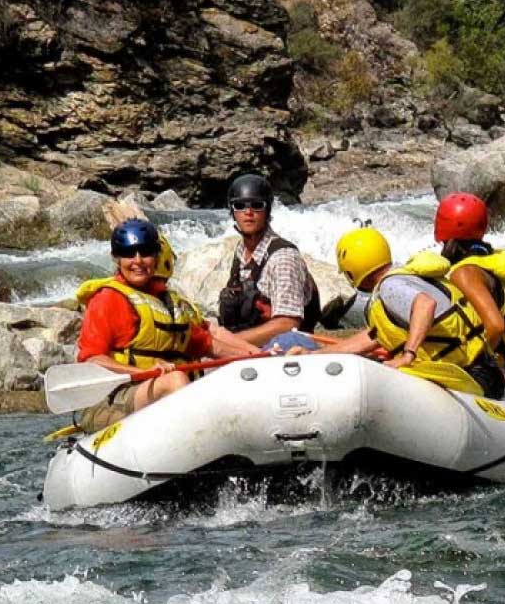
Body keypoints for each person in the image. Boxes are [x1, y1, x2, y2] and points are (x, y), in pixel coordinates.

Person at [314, 225, 504, 397]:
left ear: (352, 271)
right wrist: (317, 355)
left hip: (469, 376)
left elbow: (425, 305)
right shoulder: (405, 278)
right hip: (483, 370)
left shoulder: (390, 286)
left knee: (381, 370)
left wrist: (408, 355)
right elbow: (372, 337)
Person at [71, 220, 216, 432]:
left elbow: (209, 345)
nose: (138, 261)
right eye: (129, 254)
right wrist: (144, 371)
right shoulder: (107, 299)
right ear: (117, 259)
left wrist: (264, 354)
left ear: (156, 256)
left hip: (149, 391)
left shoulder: (164, 302)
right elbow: (92, 359)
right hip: (110, 400)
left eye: (146, 252)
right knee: (174, 380)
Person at [404, 193, 505, 398]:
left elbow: (495, 326)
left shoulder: (465, 273)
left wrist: (473, 359)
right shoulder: (488, 262)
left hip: (487, 375)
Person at [215, 174, 322, 352]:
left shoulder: (283, 257)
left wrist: (228, 342)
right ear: (232, 212)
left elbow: (287, 324)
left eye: (257, 205)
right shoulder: (241, 252)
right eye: (240, 206)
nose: (248, 212)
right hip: (248, 347)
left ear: (268, 210)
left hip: (286, 347)